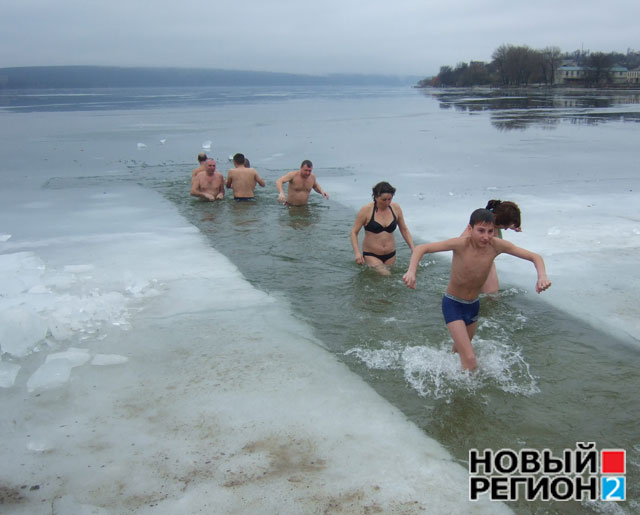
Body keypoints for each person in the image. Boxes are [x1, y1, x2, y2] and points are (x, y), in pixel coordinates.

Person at [402, 208, 551, 372]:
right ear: (470, 229)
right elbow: (421, 248)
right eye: (481, 231)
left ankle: (449, 374)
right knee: (471, 360)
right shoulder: (460, 244)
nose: (486, 236)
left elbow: (535, 257)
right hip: (453, 304)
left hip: (473, 305)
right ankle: (465, 395)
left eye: (490, 231)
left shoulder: (496, 246)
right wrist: (411, 271)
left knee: (460, 352)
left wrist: (542, 276)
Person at [350, 181, 415, 273]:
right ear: (376, 197)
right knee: (386, 275)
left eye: (390, 199)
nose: (387, 202)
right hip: (371, 255)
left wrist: (413, 248)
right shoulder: (366, 210)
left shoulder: (395, 208)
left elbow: (404, 229)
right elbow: (354, 232)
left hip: (391, 255)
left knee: (388, 281)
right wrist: (357, 253)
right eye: (384, 200)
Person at [466, 200, 522, 293]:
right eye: (506, 225)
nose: (506, 228)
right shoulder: (482, 228)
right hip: (476, 261)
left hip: (487, 261)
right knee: (490, 295)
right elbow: (463, 241)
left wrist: (513, 226)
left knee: (490, 295)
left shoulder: (493, 224)